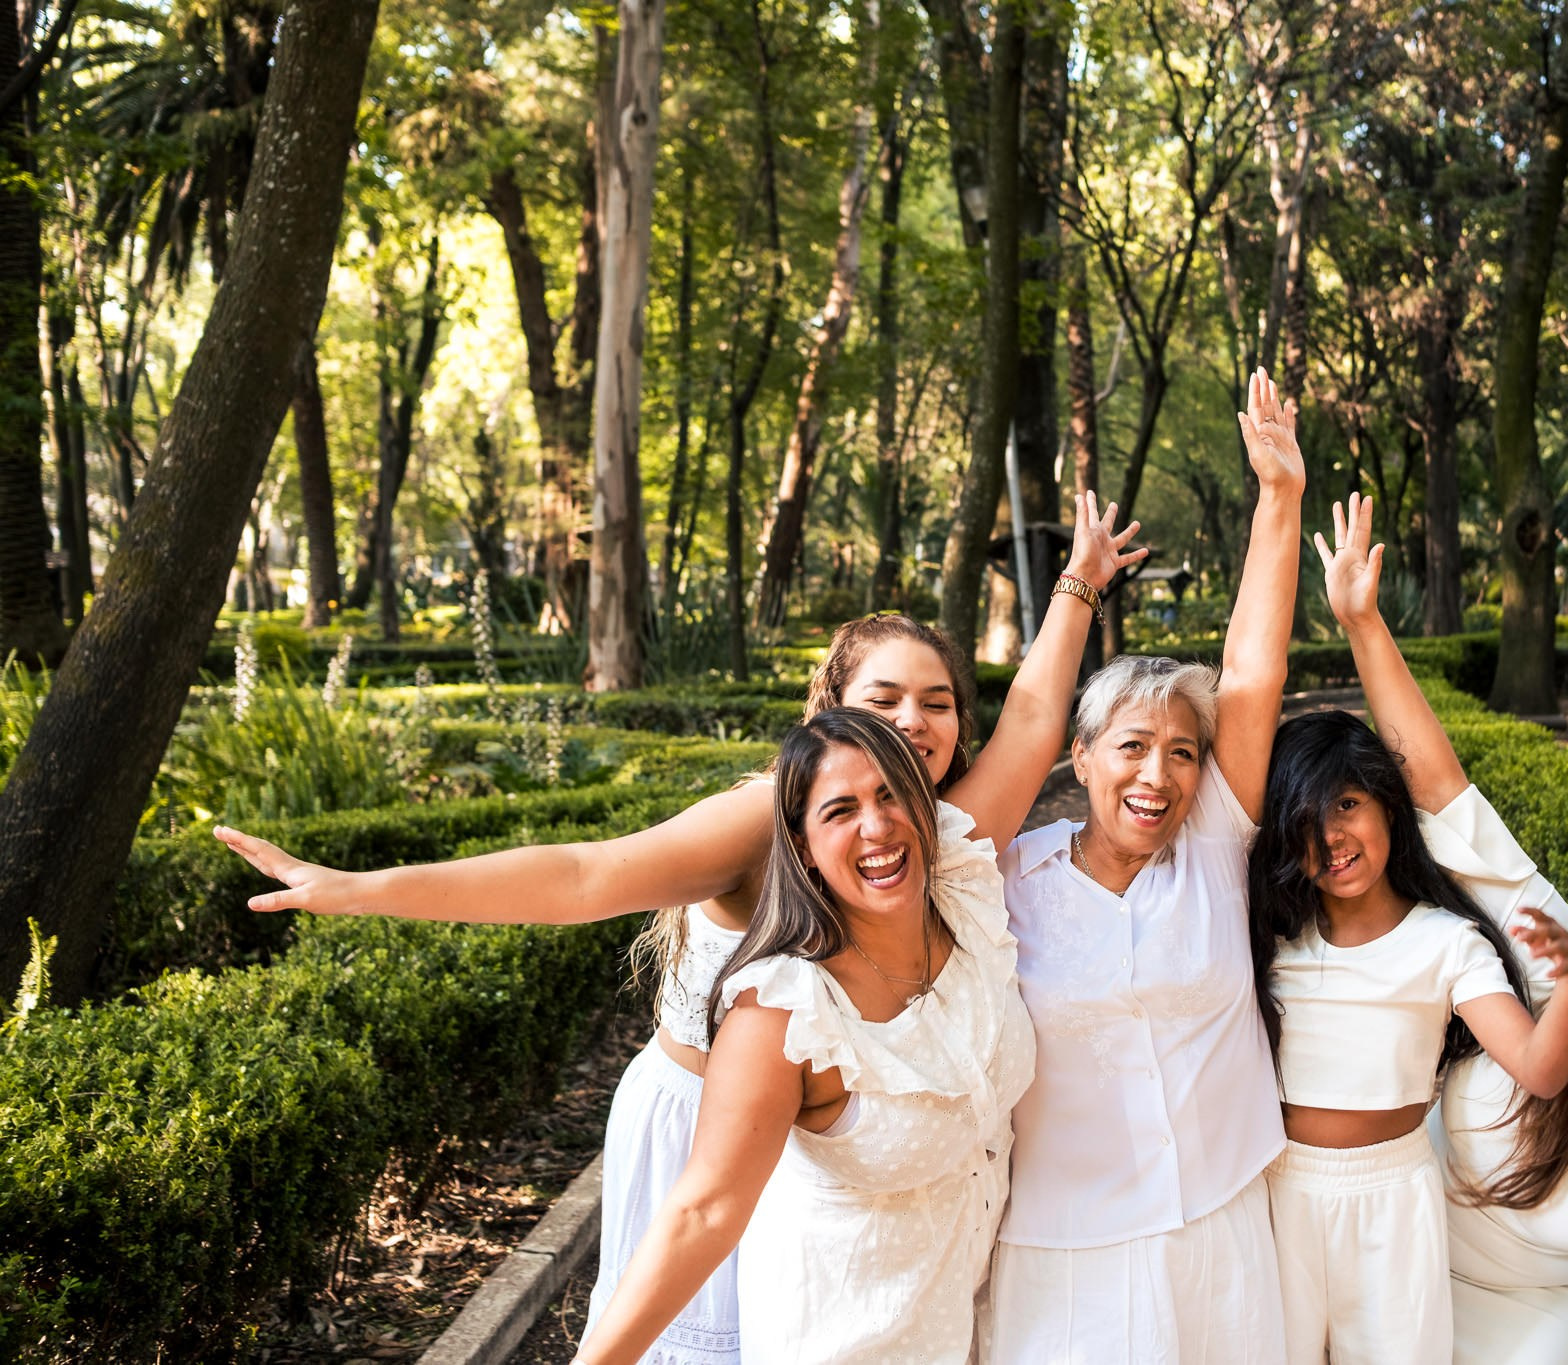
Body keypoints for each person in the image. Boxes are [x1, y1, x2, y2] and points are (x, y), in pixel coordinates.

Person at [214, 495, 1144, 1365]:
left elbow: (1027, 725)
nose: (914, 720)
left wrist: (1077, 585)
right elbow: (586, 875)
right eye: (885, 698)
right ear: (827, 708)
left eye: (937, 701)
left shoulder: (932, 836)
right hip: (704, 1114)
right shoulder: (767, 819)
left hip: (845, 1141)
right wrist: (359, 886)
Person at [979, 366, 1303, 1363]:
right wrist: (1078, 586)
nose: (1156, 775)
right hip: (1061, 1249)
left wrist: (1279, 502)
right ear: (1077, 759)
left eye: (1180, 751)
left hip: (1218, 1227)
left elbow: (1250, 675)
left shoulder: (1207, 850)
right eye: (1128, 747)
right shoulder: (1006, 881)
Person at [1246, 492, 1568, 1365]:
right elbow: (1239, 707)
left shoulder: (1446, 941)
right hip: (1277, 1190)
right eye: (1309, 822)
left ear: (1389, 809)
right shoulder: (1271, 936)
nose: (1333, 838)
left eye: (1351, 806)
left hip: (1396, 1194)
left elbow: (1544, 1069)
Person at [571, 707, 1035, 1364]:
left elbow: (1034, 719)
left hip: (972, 1326)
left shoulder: (967, 900)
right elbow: (701, 1212)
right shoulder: (787, 1014)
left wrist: (1078, 598)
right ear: (805, 848)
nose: (876, 825)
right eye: (840, 810)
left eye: (890, 793)